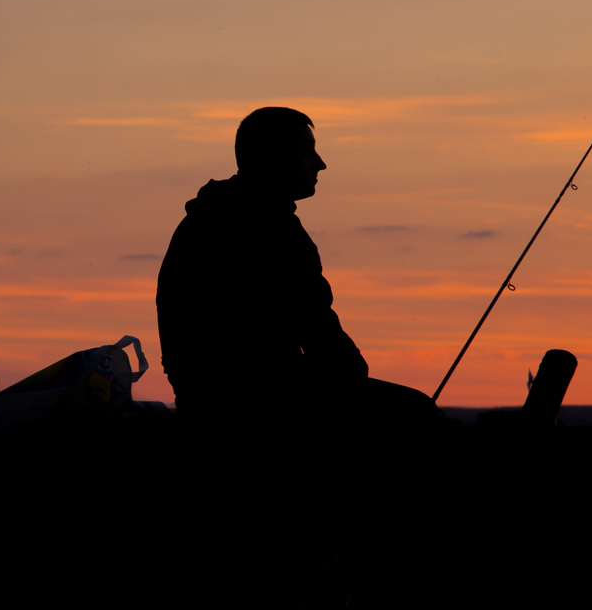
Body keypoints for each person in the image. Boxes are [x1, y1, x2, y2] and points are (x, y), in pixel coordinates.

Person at [156, 107, 436, 431]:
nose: (320, 162)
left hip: (204, 403)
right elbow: (320, 335)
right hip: (267, 406)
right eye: (306, 150)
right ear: (272, 156)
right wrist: (353, 379)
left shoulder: (202, 219)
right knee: (418, 410)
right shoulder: (273, 230)